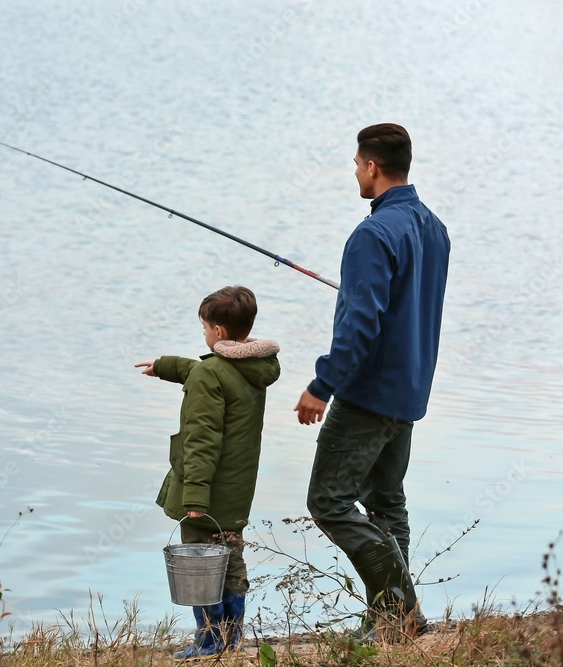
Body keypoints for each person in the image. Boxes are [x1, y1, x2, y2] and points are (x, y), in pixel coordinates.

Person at [294, 123, 450, 638]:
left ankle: (398, 609)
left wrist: (323, 384)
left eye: (356, 164)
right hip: (408, 391)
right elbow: (401, 305)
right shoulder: (434, 228)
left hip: (368, 393)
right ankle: (396, 619)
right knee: (386, 503)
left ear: (372, 166)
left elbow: (363, 322)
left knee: (329, 501)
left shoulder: (372, 233)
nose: (355, 173)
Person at [137, 285, 280, 657]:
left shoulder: (211, 375)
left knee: (200, 562)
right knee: (231, 558)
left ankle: (209, 640)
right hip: (237, 490)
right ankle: (232, 639)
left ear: (217, 331)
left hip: (207, 492)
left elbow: (202, 441)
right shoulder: (252, 369)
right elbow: (207, 372)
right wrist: (165, 366)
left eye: (204, 327)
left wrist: (195, 496)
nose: (204, 333)